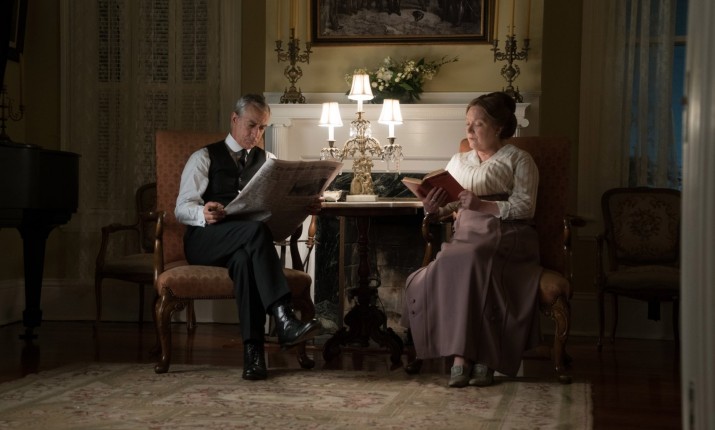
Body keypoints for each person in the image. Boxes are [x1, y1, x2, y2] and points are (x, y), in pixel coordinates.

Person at [175, 94, 322, 381]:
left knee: (244, 262)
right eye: (251, 125)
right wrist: (203, 213)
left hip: (246, 244)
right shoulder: (203, 157)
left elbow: (278, 211)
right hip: (206, 240)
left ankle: (253, 356)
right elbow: (181, 208)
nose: (256, 134)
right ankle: (283, 316)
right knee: (255, 231)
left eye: (262, 128)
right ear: (235, 119)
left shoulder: (269, 162)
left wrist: (305, 206)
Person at [401, 92, 541, 388]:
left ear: (498, 127)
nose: (469, 131)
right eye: (467, 123)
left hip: (506, 231)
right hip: (467, 232)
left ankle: (478, 357)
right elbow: (450, 206)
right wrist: (432, 207)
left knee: (474, 258)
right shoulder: (458, 161)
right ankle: (463, 355)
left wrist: (482, 205)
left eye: (478, 124)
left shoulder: (519, 159)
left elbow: (526, 207)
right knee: (449, 262)